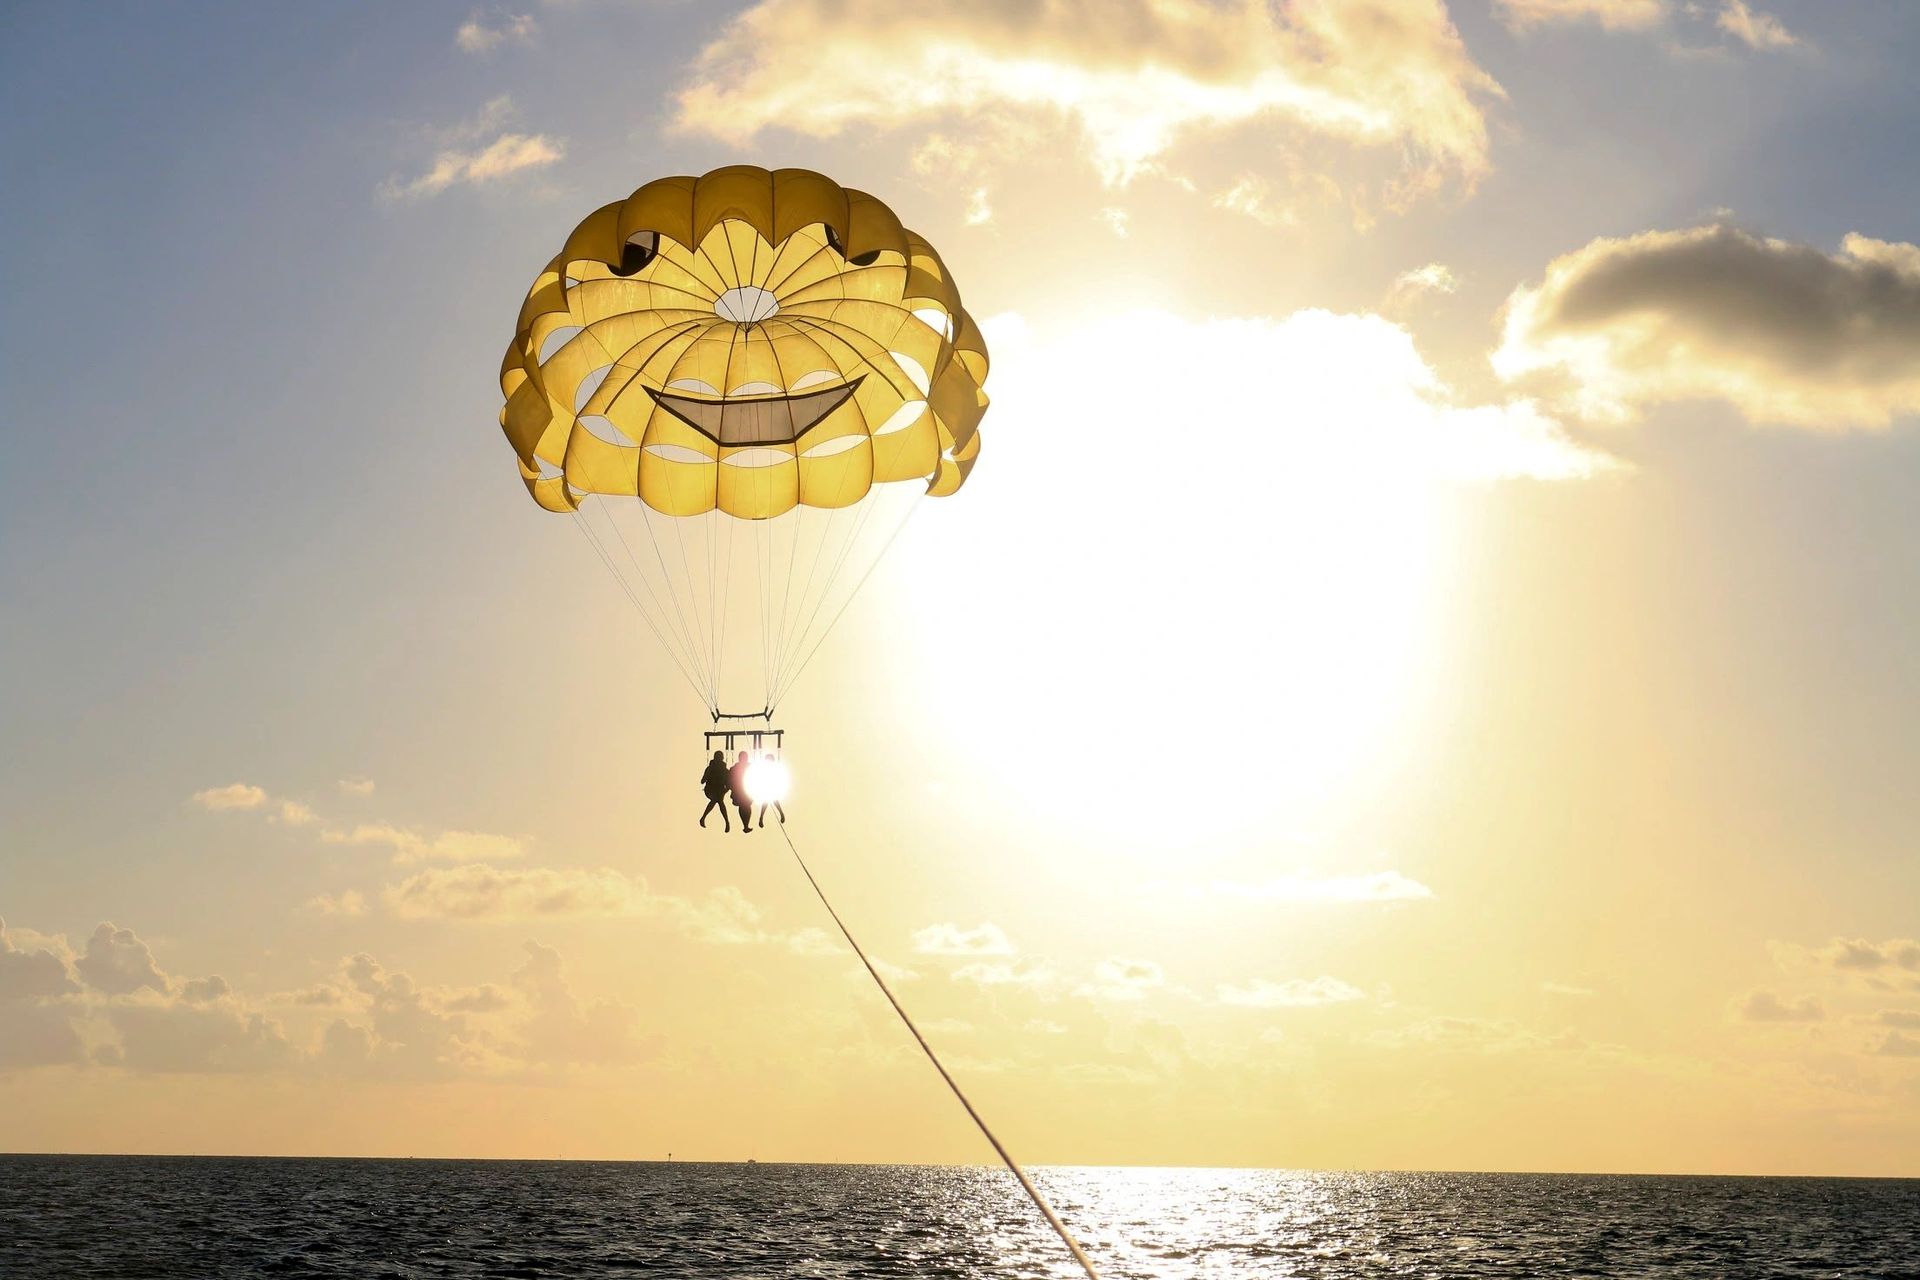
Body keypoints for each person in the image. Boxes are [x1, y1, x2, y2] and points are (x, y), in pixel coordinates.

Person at [698, 750, 731, 831]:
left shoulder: (724, 770)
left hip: (719, 791)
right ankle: (726, 822)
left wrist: (724, 791)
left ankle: (703, 818)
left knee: (718, 799)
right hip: (710, 790)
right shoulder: (710, 768)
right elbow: (702, 781)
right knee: (717, 799)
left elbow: (729, 785)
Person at [755, 753, 787, 828]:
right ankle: (762, 817)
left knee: (772, 800)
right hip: (767, 786)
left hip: (771, 786)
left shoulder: (772, 769)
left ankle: (780, 813)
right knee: (766, 801)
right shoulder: (765, 769)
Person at [727, 749, 754, 833]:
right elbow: (730, 780)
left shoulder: (749, 767)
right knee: (745, 806)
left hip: (744, 791)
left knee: (745, 806)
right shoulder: (736, 768)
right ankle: (745, 825)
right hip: (741, 791)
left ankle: (746, 825)